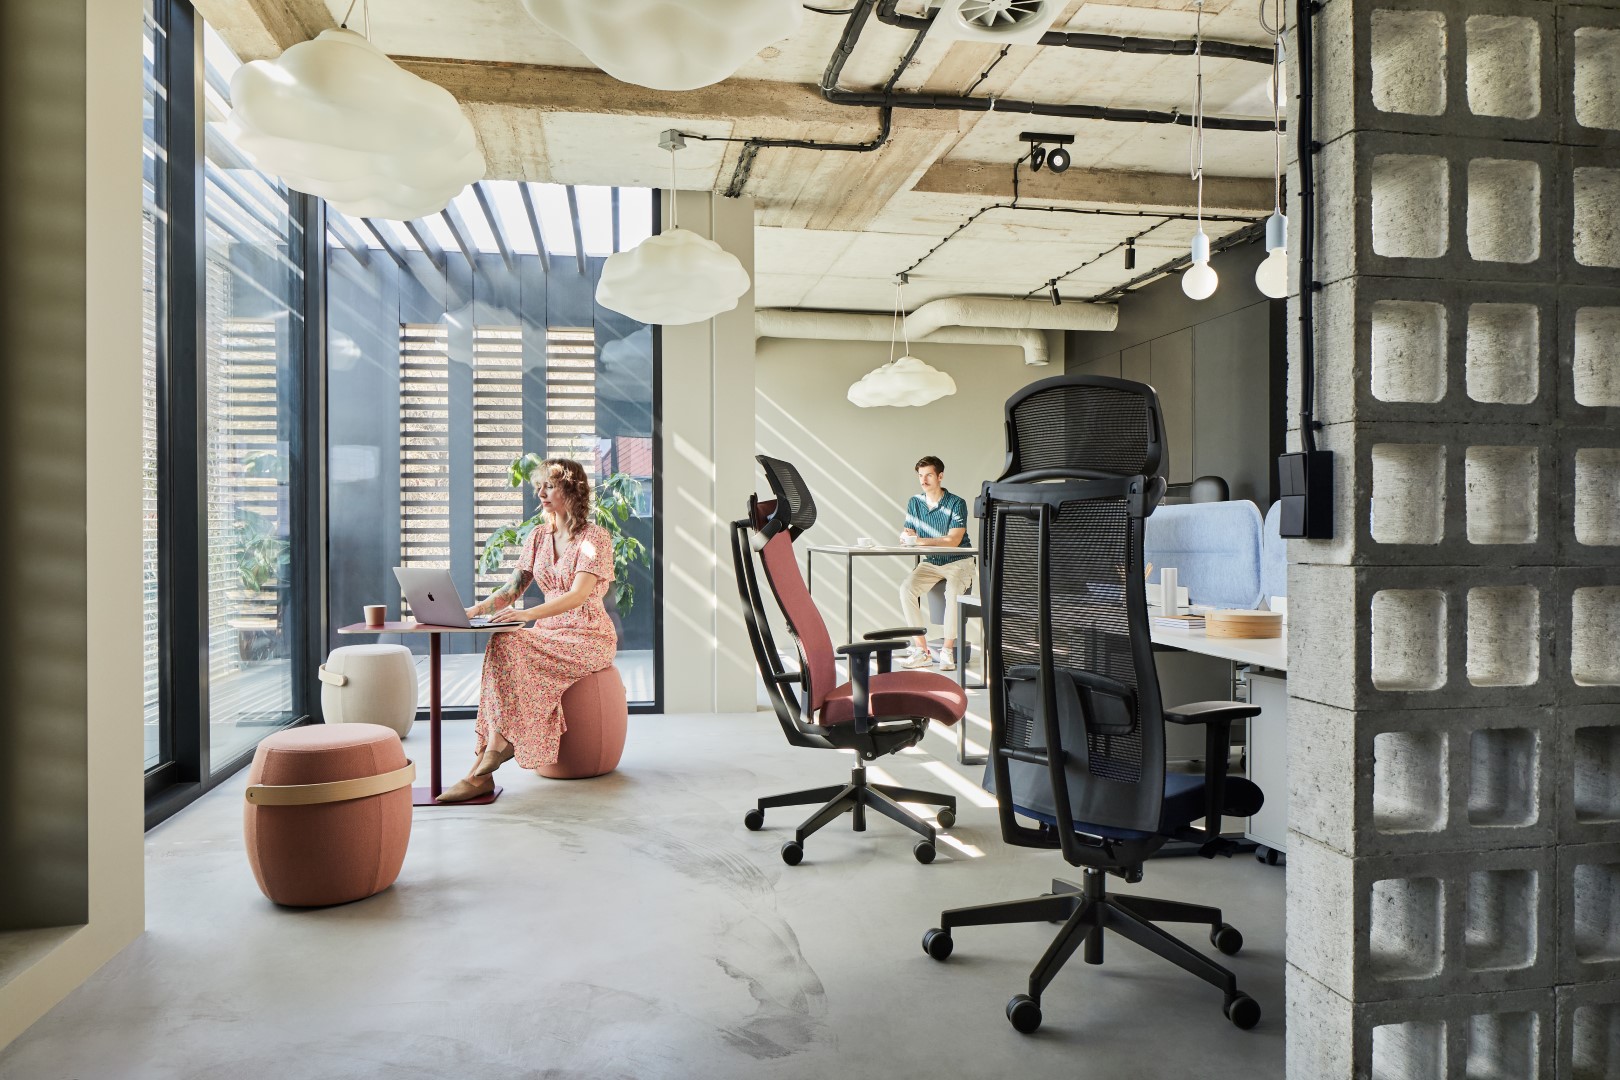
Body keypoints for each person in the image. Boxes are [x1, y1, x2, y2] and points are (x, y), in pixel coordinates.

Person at [435, 458, 617, 803]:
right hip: (549, 632)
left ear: (572, 489)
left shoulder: (594, 537)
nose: (541, 493)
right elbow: (511, 589)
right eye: (539, 486)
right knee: (502, 641)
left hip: (588, 635)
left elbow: (578, 595)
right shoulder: (537, 537)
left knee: (510, 641)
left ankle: (482, 769)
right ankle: (489, 758)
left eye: (549, 485)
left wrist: (525, 614)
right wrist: (472, 611)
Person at [895, 455, 973, 669]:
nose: (923, 480)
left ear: (940, 476)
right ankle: (922, 651)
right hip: (931, 562)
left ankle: (947, 651)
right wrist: (906, 537)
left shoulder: (956, 503)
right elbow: (908, 532)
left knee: (953, 591)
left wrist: (918, 540)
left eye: (928, 475)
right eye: (920, 475)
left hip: (959, 561)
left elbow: (953, 541)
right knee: (906, 589)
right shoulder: (915, 502)